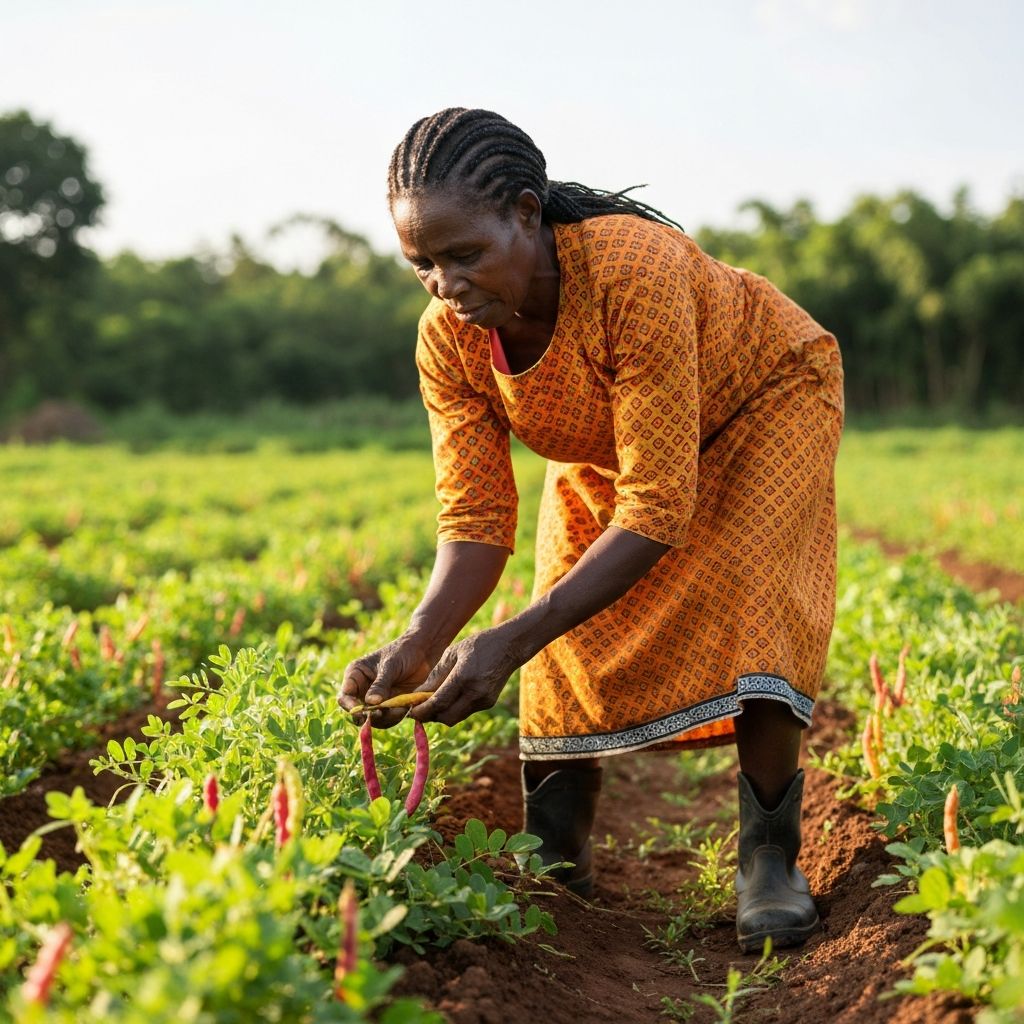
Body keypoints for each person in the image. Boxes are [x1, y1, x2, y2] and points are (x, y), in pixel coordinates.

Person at [338, 107, 844, 953]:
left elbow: (655, 509)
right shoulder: (450, 341)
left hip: (763, 398)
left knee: (752, 593)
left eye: (465, 254)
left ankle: (769, 862)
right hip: (612, 443)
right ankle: (553, 860)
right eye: (420, 263)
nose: (444, 283)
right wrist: (422, 641)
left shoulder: (629, 270)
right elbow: (474, 522)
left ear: (527, 214)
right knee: (557, 621)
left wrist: (507, 640)